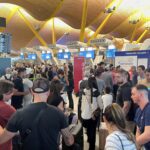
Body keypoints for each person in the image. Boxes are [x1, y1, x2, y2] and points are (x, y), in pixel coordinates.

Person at [0, 78, 74, 150]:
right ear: (48, 92)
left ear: (32, 91)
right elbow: (69, 141)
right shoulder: (58, 113)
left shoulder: (18, 114)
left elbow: (2, 139)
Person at [81, 76, 103, 150]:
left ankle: (89, 140)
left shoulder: (84, 91)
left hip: (84, 115)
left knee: (87, 130)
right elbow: (101, 105)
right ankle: (91, 147)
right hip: (92, 115)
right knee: (92, 131)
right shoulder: (96, 92)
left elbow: (82, 104)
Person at [131, 84, 150, 150]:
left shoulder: (149, 109)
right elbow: (138, 131)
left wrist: (132, 144)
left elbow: (148, 135)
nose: (131, 96)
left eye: (133, 94)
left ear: (141, 95)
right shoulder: (138, 110)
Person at [0, 80, 16, 150]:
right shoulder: (7, 109)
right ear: (4, 93)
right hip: (4, 145)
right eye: (11, 92)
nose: (12, 94)